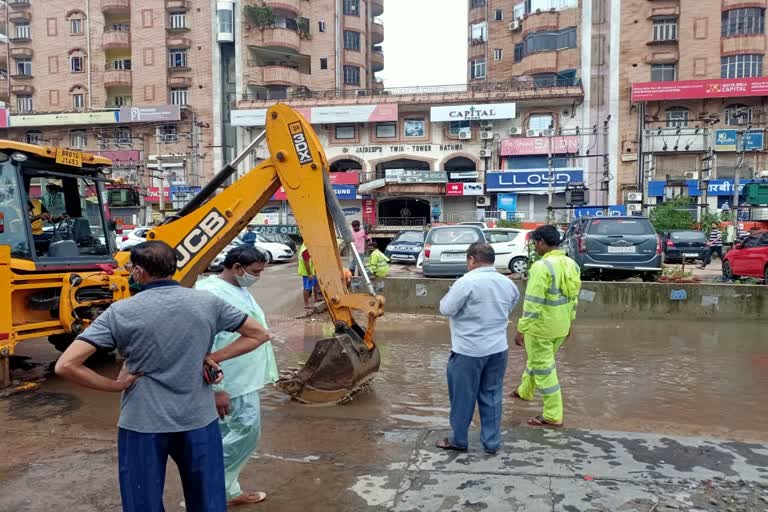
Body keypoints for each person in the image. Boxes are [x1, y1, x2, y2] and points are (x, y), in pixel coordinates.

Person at [54, 241, 272, 512]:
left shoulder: (120, 312)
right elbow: (259, 334)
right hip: (198, 419)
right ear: (174, 267)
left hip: (142, 422)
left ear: (138, 272)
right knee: (208, 500)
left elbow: (66, 365)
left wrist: (116, 385)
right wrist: (214, 357)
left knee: (142, 501)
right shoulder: (207, 302)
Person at [196, 246, 277, 507]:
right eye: (255, 272)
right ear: (237, 267)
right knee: (247, 431)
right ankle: (212, 485)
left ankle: (226, 490)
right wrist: (219, 388)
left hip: (242, 376)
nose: (258, 277)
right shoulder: (210, 293)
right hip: (231, 380)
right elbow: (204, 347)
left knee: (222, 435)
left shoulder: (238, 289)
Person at [436, 243, 520, 454]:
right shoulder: (508, 283)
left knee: (462, 397)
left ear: (472, 260)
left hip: (468, 350)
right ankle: (491, 443)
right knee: (492, 395)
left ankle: (459, 440)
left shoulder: (466, 282)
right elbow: (511, 305)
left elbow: (446, 309)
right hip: (498, 349)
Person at [511, 225, 581, 428]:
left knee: (544, 369)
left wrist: (521, 328)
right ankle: (525, 391)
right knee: (539, 360)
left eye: (535, 243)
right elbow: (573, 299)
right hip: (561, 327)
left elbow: (533, 302)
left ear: (541, 242)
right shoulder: (571, 264)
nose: (535, 247)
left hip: (541, 328)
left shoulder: (541, 267)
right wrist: (570, 323)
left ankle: (552, 414)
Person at [298, 242, 321, 309]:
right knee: (307, 287)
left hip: (312, 269)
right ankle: (306, 304)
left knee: (316, 284)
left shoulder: (306, 244)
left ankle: (316, 298)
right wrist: (309, 274)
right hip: (306, 272)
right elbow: (306, 263)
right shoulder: (306, 250)